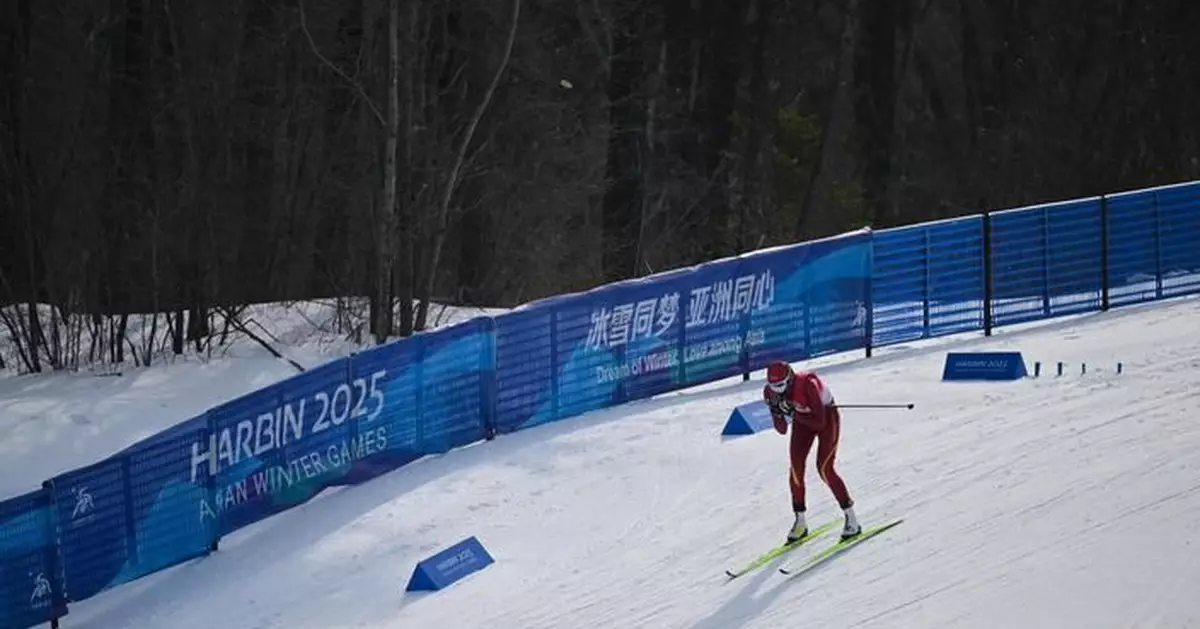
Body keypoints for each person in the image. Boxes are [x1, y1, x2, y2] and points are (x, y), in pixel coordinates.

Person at [763, 359, 861, 543]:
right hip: (802, 423)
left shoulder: (808, 385)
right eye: (773, 386)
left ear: (790, 379)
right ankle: (800, 522)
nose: (777, 390)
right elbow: (782, 429)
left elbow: (819, 422)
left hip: (825, 417)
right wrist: (776, 412)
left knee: (824, 468)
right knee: (795, 468)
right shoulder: (770, 392)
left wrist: (793, 411)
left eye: (781, 386)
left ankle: (852, 519)